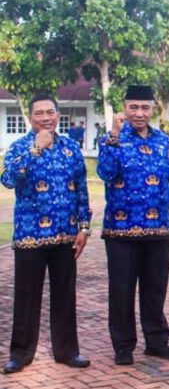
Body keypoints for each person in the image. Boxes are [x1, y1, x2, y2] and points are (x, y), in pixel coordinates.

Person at [1, 94, 92, 374]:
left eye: (50, 112)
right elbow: (8, 179)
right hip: (30, 235)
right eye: (39, 113)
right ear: (30, 118)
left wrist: (84, 227)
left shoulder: (71, 149)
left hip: (65, 236)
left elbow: (82, 189)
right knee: (26, 296)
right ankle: (20, 354)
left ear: (57, 115)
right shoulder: (19, 147)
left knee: (65, 295)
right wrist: (35, 150)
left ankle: (67, 351)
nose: (45, 118)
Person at [96, 85, 169, 365]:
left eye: (145, 107)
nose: (139, 113)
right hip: (121, 230)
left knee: (155, 290)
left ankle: (156, 342)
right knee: (121, 291)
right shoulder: (112, 139)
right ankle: (123, 346)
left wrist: (168, 220)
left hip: (158, 229)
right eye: (133, 107)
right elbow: (106, 173)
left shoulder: (162, 141)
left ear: (153, 109)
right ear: (124, 108)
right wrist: (114, 134)